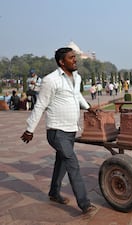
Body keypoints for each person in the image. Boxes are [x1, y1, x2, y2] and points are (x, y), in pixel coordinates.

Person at [20, 47, 97, 215]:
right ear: (62, 62)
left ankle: (54, 192)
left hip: (70, 130)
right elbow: (40, 105)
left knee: (61, 162)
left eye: (75, 57)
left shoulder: (76, 77)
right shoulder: (51, 80)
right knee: (72, 163)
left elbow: (77, 96)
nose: (75, 60)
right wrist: (30, 129)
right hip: (56, 131)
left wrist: (88, 107)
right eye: (71, 58)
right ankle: (85, 204)